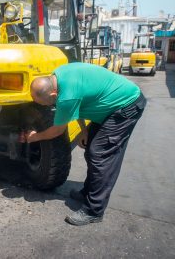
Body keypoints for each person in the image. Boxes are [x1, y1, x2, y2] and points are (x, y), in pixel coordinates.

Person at [26, 62, 146, 226]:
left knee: (101, 156)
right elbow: (79, 106)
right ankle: (88, 192)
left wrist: (35, 137)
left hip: (125, 106)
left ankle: (94, 211)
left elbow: (57, 130)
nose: (47, 106)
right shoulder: (58, 75)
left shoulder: (67, 96)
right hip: (109, 105)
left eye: (46, 103)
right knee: (91, 150)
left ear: (54, 95)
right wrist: (84, 131)